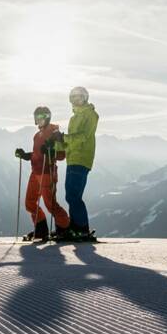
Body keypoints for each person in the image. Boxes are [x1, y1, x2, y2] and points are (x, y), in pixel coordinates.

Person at [14, 106, 71, 241]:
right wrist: (25, 155)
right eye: (37, 118)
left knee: (50, 204)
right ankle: (40, 230)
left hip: (47, 171)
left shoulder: (54, 132)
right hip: (36, 172)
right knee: (30, 202)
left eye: (42, 117)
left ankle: (64, 228)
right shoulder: (37, 135)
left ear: (47, 118)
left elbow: (62, 154)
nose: (39, 120)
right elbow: (36, 155)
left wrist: (51, 151)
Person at [55, 86, 98, 241]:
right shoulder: (73, 118)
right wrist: (56, 143)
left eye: (79, 97)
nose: (76, 101)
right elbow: (70, 143)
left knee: (74, 195)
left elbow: (83, 136)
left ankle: (82, 229)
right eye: (73, 98)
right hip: (72, 159)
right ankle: (75, 228)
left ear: (85, 98)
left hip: (82, 158)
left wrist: (64, 137)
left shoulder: (91, 114)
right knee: (70, 195)